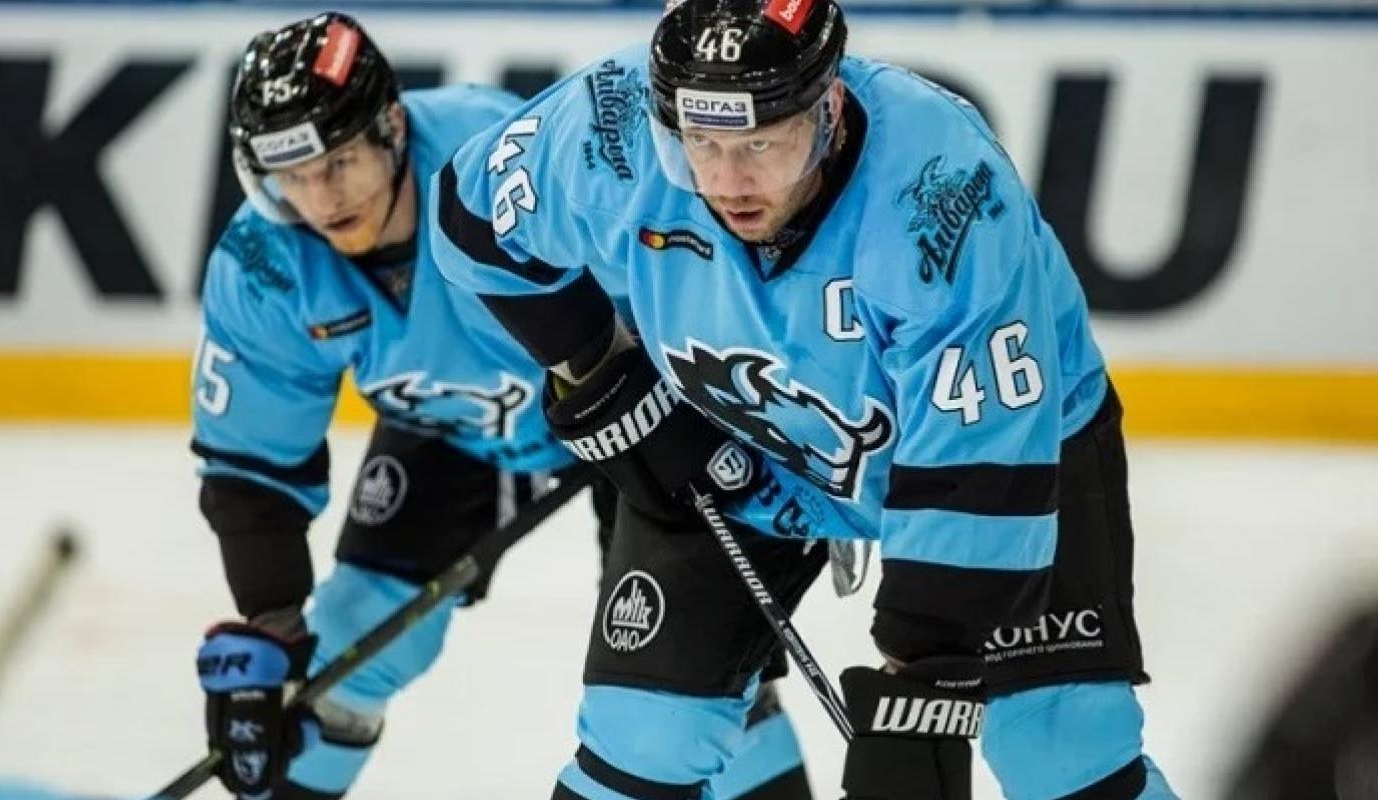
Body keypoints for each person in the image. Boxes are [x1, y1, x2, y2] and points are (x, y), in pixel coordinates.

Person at [430, 1, 1181, 798]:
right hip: (737, 440)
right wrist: (599, 366)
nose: (728, 183)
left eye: (760, 144)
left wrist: (923, 684)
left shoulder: (938, 188)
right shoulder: (608, 125)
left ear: (829, 108)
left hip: (1010, 453)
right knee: (643, 736)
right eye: (700, 144)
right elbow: (472, 219)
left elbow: (977, 462)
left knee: (1059, 744)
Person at [188, 14, 811, 800]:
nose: (321, 198)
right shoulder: (263, 261)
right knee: (339, 653)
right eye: (295, 176)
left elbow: (692, 269)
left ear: (391, 127)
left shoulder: (498, 158)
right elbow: (250, 471)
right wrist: (272, 633)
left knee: (698, 677)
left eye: (339, 161)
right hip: (460, 431)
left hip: (636, 402)